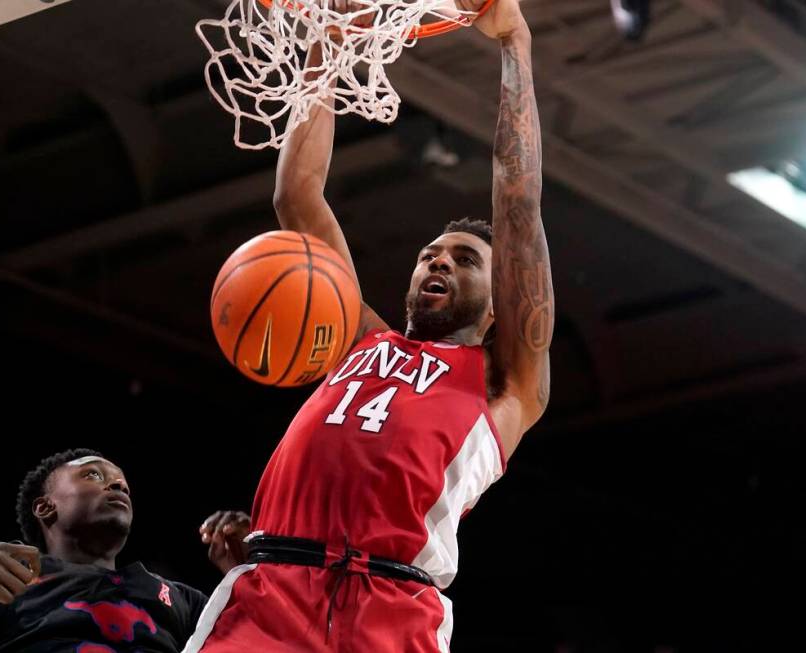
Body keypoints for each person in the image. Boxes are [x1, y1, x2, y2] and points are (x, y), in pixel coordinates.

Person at [186, 0, 552, 649]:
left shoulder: (506, 383)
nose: (438, 259)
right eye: (429, 254)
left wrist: (515, 45)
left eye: (464, 259)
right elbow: (297, 195)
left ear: (501, 303)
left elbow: (518, 206)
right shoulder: (357, 339)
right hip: (272, 592)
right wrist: (330, 36)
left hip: (392, 609)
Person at [0, 449, 236, 653]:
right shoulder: (3, 583)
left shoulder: (183, 598)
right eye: (94, 475)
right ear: (45, 507)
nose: (117, 487)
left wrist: (250, 573)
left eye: (123, 485)